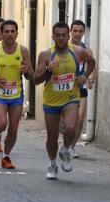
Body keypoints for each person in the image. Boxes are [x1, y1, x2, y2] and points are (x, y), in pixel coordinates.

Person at [33, 21, 95, 180]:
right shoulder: (46, 54)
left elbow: (92, 62)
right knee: (52, 137)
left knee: (70, 128)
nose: (61, 38)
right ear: (53, 37)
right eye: (58, 35)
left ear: (68, 37)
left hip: (71, 98)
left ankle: (66, 150)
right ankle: (53, 164)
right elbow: (35, 80)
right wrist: (48, 70)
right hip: (51, 101)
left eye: (64, 35)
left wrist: (85, 76)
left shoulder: (78, 52)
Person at [0, 19, 34, 169]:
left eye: (12, 31)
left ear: (17, 33)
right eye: (6, 32)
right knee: (2, 124)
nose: (9, 34)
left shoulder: (23, 50)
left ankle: (6, 157)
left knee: (13, 128)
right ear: (1, 34)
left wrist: (26, 72)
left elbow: (31, 75)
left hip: (16, 95)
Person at [67, 20, 97, 158]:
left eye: (80, 31)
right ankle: (67, 140)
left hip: (80, 87)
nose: (77, 34)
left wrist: (90, 78)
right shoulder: (64, 47)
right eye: (75, 31)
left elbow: (93, 68)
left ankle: (71, 147)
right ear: (70, 31)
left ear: (84, 32)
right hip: (65, 87)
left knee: (80, 119)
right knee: (67, 120)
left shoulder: (86, 49)